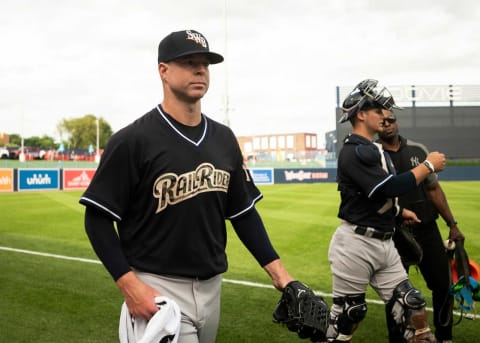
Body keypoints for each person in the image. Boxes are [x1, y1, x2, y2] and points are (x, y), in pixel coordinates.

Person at [79, 29, 294, 343]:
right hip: (157, 287)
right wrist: (129, 285)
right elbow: (97, 219)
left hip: (212, 286)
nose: (200, 70)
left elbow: (243, 213)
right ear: (163, 71)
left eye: (205, 64)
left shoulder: (223, 139)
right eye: (189, 62)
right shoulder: (132, 140)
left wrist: (281, 275)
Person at [327, 79, 446, 343]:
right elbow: (390, 187)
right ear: (361, 114)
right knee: (348, 316)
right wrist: (428, 164)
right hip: (356, 245)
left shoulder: (372, 149)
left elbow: (371, 198)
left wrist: (398, 211)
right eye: (378, 110)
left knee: (412, 306)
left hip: (384, 242)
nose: (385, 115)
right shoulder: (355, 150)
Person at [378, 108, 465, 343]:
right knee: (395, 293)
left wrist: (452, 224)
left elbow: (434, 189)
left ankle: (444, 336)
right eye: (382, 121)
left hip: (427, 229)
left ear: (397, 122)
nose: (387, 124)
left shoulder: (418, 150)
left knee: (443, 285)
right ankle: (397, 338)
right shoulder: (373, 154)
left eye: (391, 119)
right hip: (394, 234)